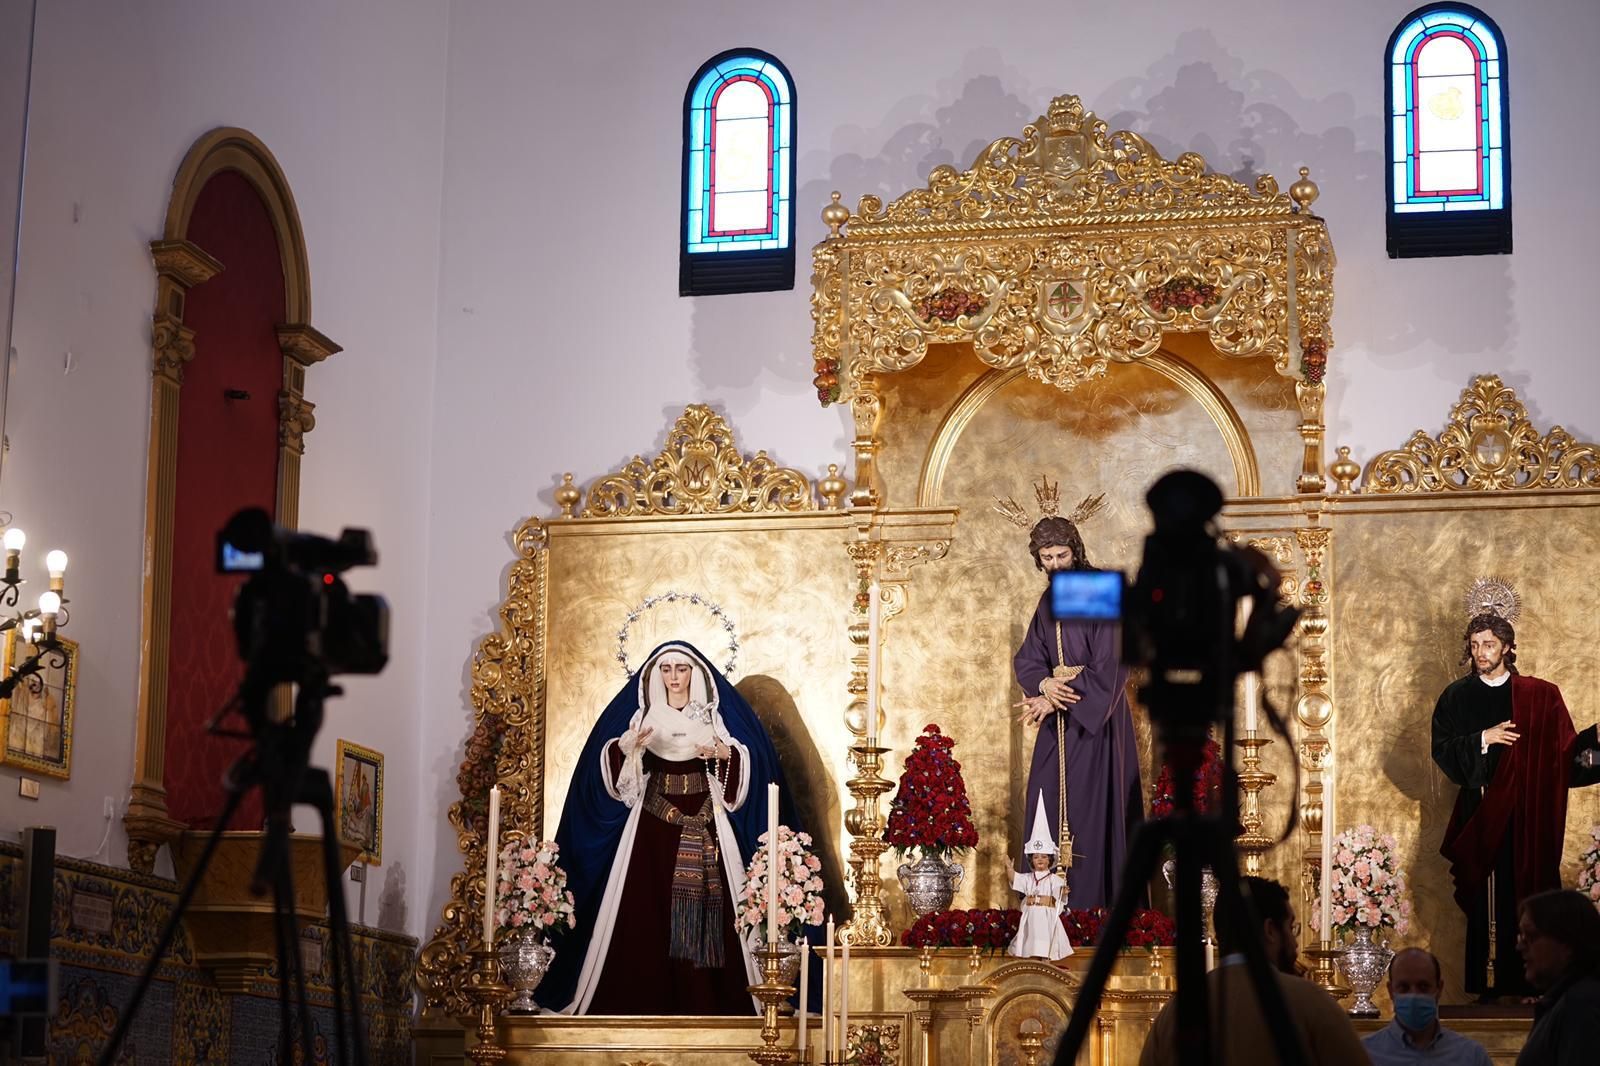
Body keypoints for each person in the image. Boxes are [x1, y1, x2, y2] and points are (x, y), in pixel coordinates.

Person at [537, 640, 796, 1015]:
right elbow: (616, 774)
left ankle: (713, 1004)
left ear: (696, 673)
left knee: (717, 916)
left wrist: (725, 754)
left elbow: (744, 772)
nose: (674, 678)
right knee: (644, 915)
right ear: (656, 674)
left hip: (707, 824)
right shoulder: (644, 719)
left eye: (682, 669)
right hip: (652, 829)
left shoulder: (712, 718)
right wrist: (629, 750)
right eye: (666, 669)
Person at [1432, 613, 1600, 999]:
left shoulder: (1540, 695)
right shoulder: (1457, 696)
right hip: (1483, 814)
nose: (1480, 653)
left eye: (1489, 644)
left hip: (1529, 814)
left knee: (1532, 892)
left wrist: (1596, 739)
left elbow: (1565, 755)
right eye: (1474, 645)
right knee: (1487, 900)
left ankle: (1537, 985)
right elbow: (1442, 750)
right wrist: (1482, 739)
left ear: (1507, 646)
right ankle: (1490, 985)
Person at [1004, 479, 1141, 908]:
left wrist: (1056, 696)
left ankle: (1092, 909)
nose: (1056, 565)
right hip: (1059, 720)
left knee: (1089, 809)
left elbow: (1112, 661)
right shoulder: (1048, 602)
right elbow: (1029, 657)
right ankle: (1045, 911)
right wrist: (1043, 685)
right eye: (1046, 558)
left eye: (1062, 555)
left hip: (1095, 724)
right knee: (1046, 801)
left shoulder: (1099, 590)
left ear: (1076, 551)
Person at [1139, 876, 1371, 1066]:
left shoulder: (1177, 1010)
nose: (1295, 942)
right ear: (1270, 930)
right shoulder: (1307, 1000)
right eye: (1290, 928)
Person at [1363, 947, 1492, 1065]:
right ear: (1391, 991)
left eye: (1423, 986)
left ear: (1439, 989)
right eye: (1404, 987)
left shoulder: (1472, 1056)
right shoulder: (1364, 1055)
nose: (1414, 995)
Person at [1515, 889, 1600, 1066]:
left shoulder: (1582, 1003)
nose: (1520, 946)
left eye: (1529, 936)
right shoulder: (1565, 1001)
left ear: (1567, 941)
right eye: (1520, 936)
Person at [1006, 790, 1072, 962]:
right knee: (1031, 941)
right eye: (1036, 857)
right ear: (1031, 860)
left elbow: (1060, 894)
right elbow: (1015, 879)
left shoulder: (1054, 878)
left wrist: (1064, 891)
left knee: (1046, 942)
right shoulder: (1028, 877)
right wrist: (1009, 869)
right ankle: (1032, 963)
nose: (1040, 860)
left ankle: (1046, 963)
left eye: (1043, 857)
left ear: (1050, 859)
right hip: (1031, 915)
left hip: (1046, 916)